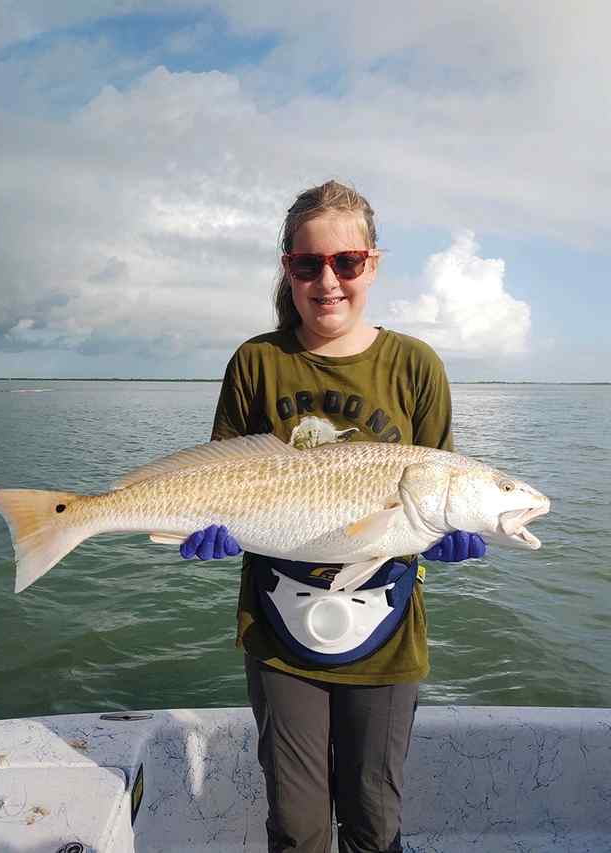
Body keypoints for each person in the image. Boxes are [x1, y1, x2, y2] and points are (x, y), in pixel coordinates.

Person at [180, 180, 485, 853]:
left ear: (372, 263)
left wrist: (450, 526)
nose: (328, 281)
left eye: (346, 262)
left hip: (388, 631)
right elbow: (220, 473)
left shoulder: (415, 365)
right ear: (286, 267)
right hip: (277, 629)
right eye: (307, 264)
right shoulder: (256, 363)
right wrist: (205, 524)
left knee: (375, 822)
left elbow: (441, 480)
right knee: (297, 824)